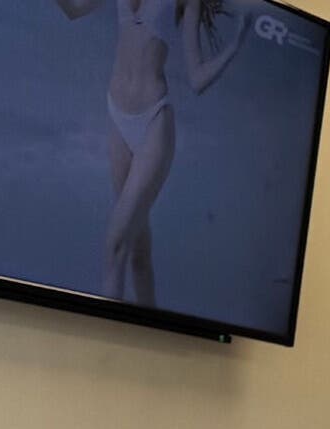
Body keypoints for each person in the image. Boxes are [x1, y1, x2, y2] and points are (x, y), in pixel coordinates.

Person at [51, 0, 249, 308]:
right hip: (116, 114)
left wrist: (236, 44)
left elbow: (196, 79)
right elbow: (74, 10)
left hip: (154, 123)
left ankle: (107, 339)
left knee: (116, 243)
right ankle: (149, 324)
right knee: (138, 253)